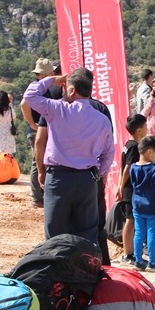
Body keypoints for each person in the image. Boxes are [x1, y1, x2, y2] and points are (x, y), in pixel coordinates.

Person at [24, 68, 114, 245]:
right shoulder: (102, 119)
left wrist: (51, 79)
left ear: (72, 90)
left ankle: (57, 270)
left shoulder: (57, 109)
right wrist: (99, 174)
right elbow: (108, 153)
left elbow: (30, 96)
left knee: (55, 235)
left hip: (58, 178)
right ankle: (85, 269)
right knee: (87, 234)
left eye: (66, 88)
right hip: (87, 179)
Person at [129, 136, 155, 273]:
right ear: (150, 152)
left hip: (137, 206)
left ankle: (138, 260)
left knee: (139, 233)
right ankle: (152, 262)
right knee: (152, 234)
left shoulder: (133, 168)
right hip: (152, 207)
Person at [21, 58, 57, 206]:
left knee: (40, 161)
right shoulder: (36, 87)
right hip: (37, 129)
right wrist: (32, 124)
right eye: (50, 73)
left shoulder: (39, 87)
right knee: (38, 161)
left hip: (38, 128)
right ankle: (37, 197)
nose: (53, 75)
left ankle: (39, 195)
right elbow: (24, 104)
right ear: (43, 75)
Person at [116, 113, 148, 264]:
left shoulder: (128, 145)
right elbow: (127, 169)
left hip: (130, 188)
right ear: (139, 130)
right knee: (130, 221)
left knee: (132, 220)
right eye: (145, 126)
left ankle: (132, 251)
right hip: (130, 189)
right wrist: (121, 187)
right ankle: (128, 253)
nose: (147, 129)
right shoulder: (134, 147)